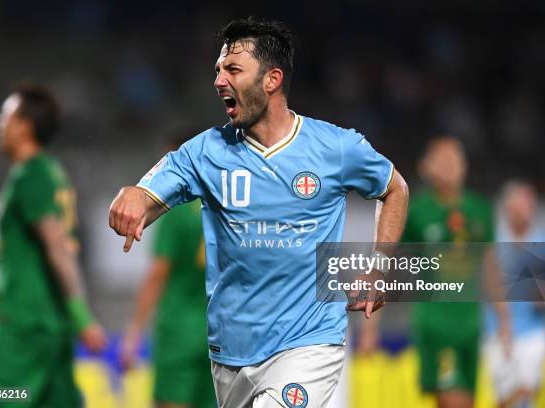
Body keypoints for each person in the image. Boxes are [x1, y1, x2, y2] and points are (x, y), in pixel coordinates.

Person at [109, 17, 409, 408]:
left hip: (308, 342)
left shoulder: (335, 147)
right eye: (218, 70)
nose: (219, 81)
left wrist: (379, 267)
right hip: (231, 353)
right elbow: (146, 193)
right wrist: (132, 196)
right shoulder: (205, 152)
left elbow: (394, 187)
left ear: (271, 80)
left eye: (233, 69)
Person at [0, 84, 106, 407]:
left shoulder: (30, 176)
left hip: (25, 326)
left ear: (24, 126)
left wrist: (84, 317)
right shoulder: (52, 172)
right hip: (53, 327)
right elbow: (22, 249)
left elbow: (57, 248)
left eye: (5, 115)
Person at [395, 136, 509, 408]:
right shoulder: (418, 210)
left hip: (471, 325)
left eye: (456, 158)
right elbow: (393, 264)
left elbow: (490, 268)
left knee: (466, 400)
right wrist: (371, 322)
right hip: (437, 325)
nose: (451, 165)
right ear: (427, 167)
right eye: (443, 159)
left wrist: (505, 320)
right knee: (453, 401)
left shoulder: (480, 209)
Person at [119, 138, 215, 408]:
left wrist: (133, 333)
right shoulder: (224, 207)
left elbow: (158, 274)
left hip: (179, 334)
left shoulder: (175, 210)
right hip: (220, 333)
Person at [484, 181, 545, 407]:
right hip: (497, 330)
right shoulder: (493, 243)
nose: (524, 212)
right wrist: (504, 325)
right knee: (504, 396)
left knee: (526, 390)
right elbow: (489, 285)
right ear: (507, 209)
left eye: (528, 206)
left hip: (533, 331)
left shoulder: (544, 243)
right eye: (519, 207)